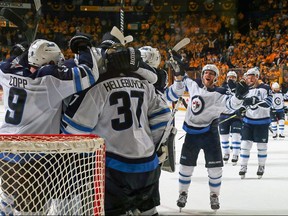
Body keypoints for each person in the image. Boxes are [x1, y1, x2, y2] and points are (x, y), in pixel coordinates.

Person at [61, 40, 171, 215]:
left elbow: (74, 131)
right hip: (148, 165)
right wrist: (153, 147)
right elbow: (164, 118)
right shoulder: (145, 84)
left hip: (114, 168)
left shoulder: (97, 88)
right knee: (148, 210)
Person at [0, 36, 100, 214]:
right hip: (31, 161)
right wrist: (84, 48)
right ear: (51, 62)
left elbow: (13, 64)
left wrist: (19, 54)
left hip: (5, 152)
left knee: (7, 203)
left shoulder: (6, 72)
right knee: (32, 211)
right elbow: (90, 73)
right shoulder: (49, 80)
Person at [165, 59, 248, 210]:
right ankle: (183, 193)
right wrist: (179, 68)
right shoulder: (194, 84)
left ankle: (214, 195)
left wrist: (239, 97)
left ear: (216, 78)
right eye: (206, 73)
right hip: (191, 134)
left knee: (215, 169)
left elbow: (231, 106)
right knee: (185, 167)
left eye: (211, 73)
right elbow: (182, 78)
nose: (208, 75)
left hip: (210, 135)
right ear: (202, 75)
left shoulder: (220, 93)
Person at [238, 67, 273, 179]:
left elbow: (269, 102)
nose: (250, 78)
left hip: (262, 122)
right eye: (248, 76)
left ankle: (261, 166)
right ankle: (243, 166)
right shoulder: (246, 89)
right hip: (248, 121)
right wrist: (241, 109)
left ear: (257, 77)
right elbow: (244, 103)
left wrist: (256, 101)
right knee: (244, 145)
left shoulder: (265, 88)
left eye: (253, 76)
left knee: (261, 146)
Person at [219, 71, 242, 165]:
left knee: (236, 135)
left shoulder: (239, 88)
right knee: (224, 137)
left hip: (236, 116)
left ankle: (236, 154)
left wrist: (242, 109)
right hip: (223, 115)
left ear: (236, 78)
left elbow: (244, 99)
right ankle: (226, 153)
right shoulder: (221, 88)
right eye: (230, 77)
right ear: (226, 78)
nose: (231, 79)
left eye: (233, 77)